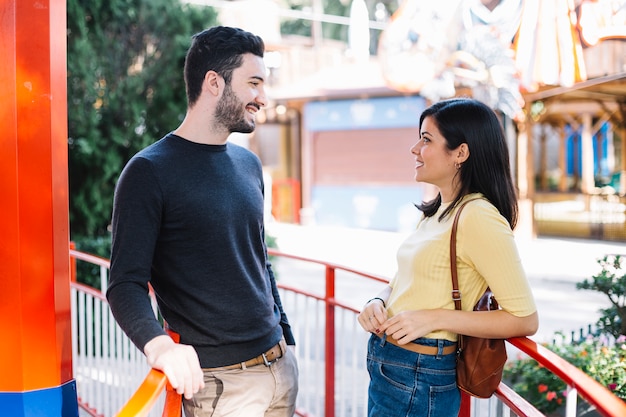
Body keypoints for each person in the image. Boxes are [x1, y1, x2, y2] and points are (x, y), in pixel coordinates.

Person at [106, 26, 298, 417]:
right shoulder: (148, 171)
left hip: (280, 368)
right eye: (254, 83)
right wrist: (160, 346)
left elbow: (259, 260)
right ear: (214, 83)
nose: (263, 97)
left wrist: (287, 338)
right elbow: (124, 284)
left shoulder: (248, 164)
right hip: (218, 386)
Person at [357, 98, 538, 417]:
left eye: (426, 139)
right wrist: (377, 300)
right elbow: (403, 282)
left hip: (420, 372)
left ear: (461, 153)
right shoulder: (437, 211)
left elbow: (524, 318)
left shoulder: (478, 216)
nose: (415, 149)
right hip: (390, 363)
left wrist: (435, 317)